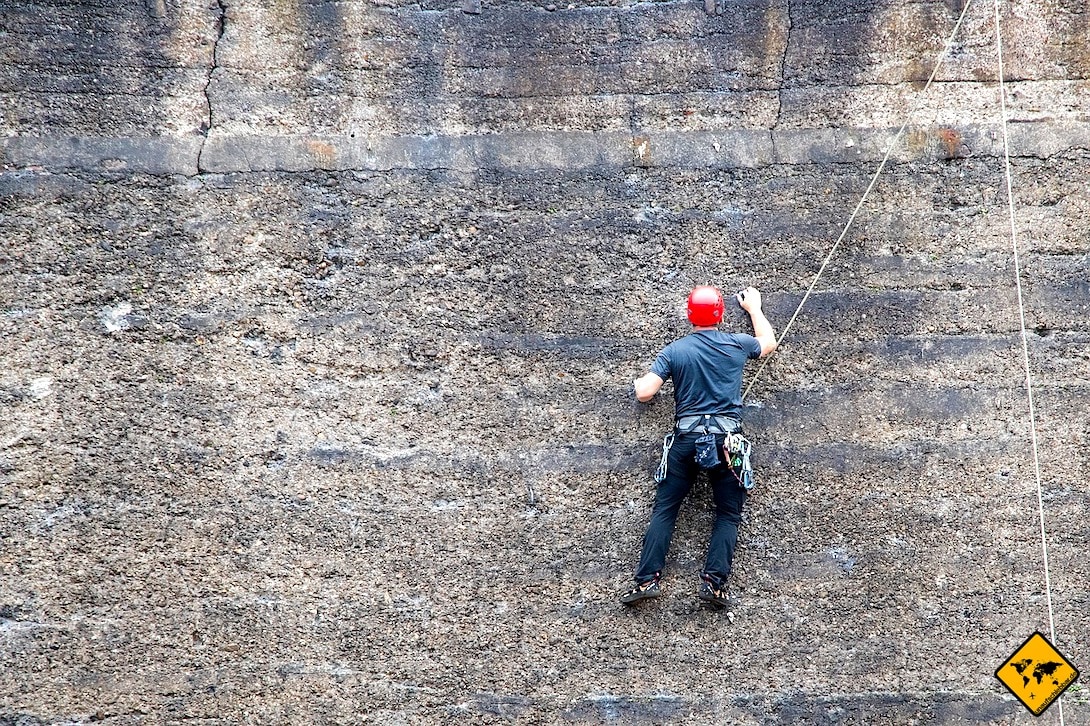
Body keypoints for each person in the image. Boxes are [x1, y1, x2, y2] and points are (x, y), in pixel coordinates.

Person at [621, 285, 777, 608]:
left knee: (665, 509)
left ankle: (647, 580)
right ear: (720, 314)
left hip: (686, 441)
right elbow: (768, 343)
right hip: (727, 443)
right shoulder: (736, 344)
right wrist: (754, 309)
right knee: (728, 514)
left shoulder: (675, 351)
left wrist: (637, 383)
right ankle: (714, 584)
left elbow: (645, 392)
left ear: (690, 315)